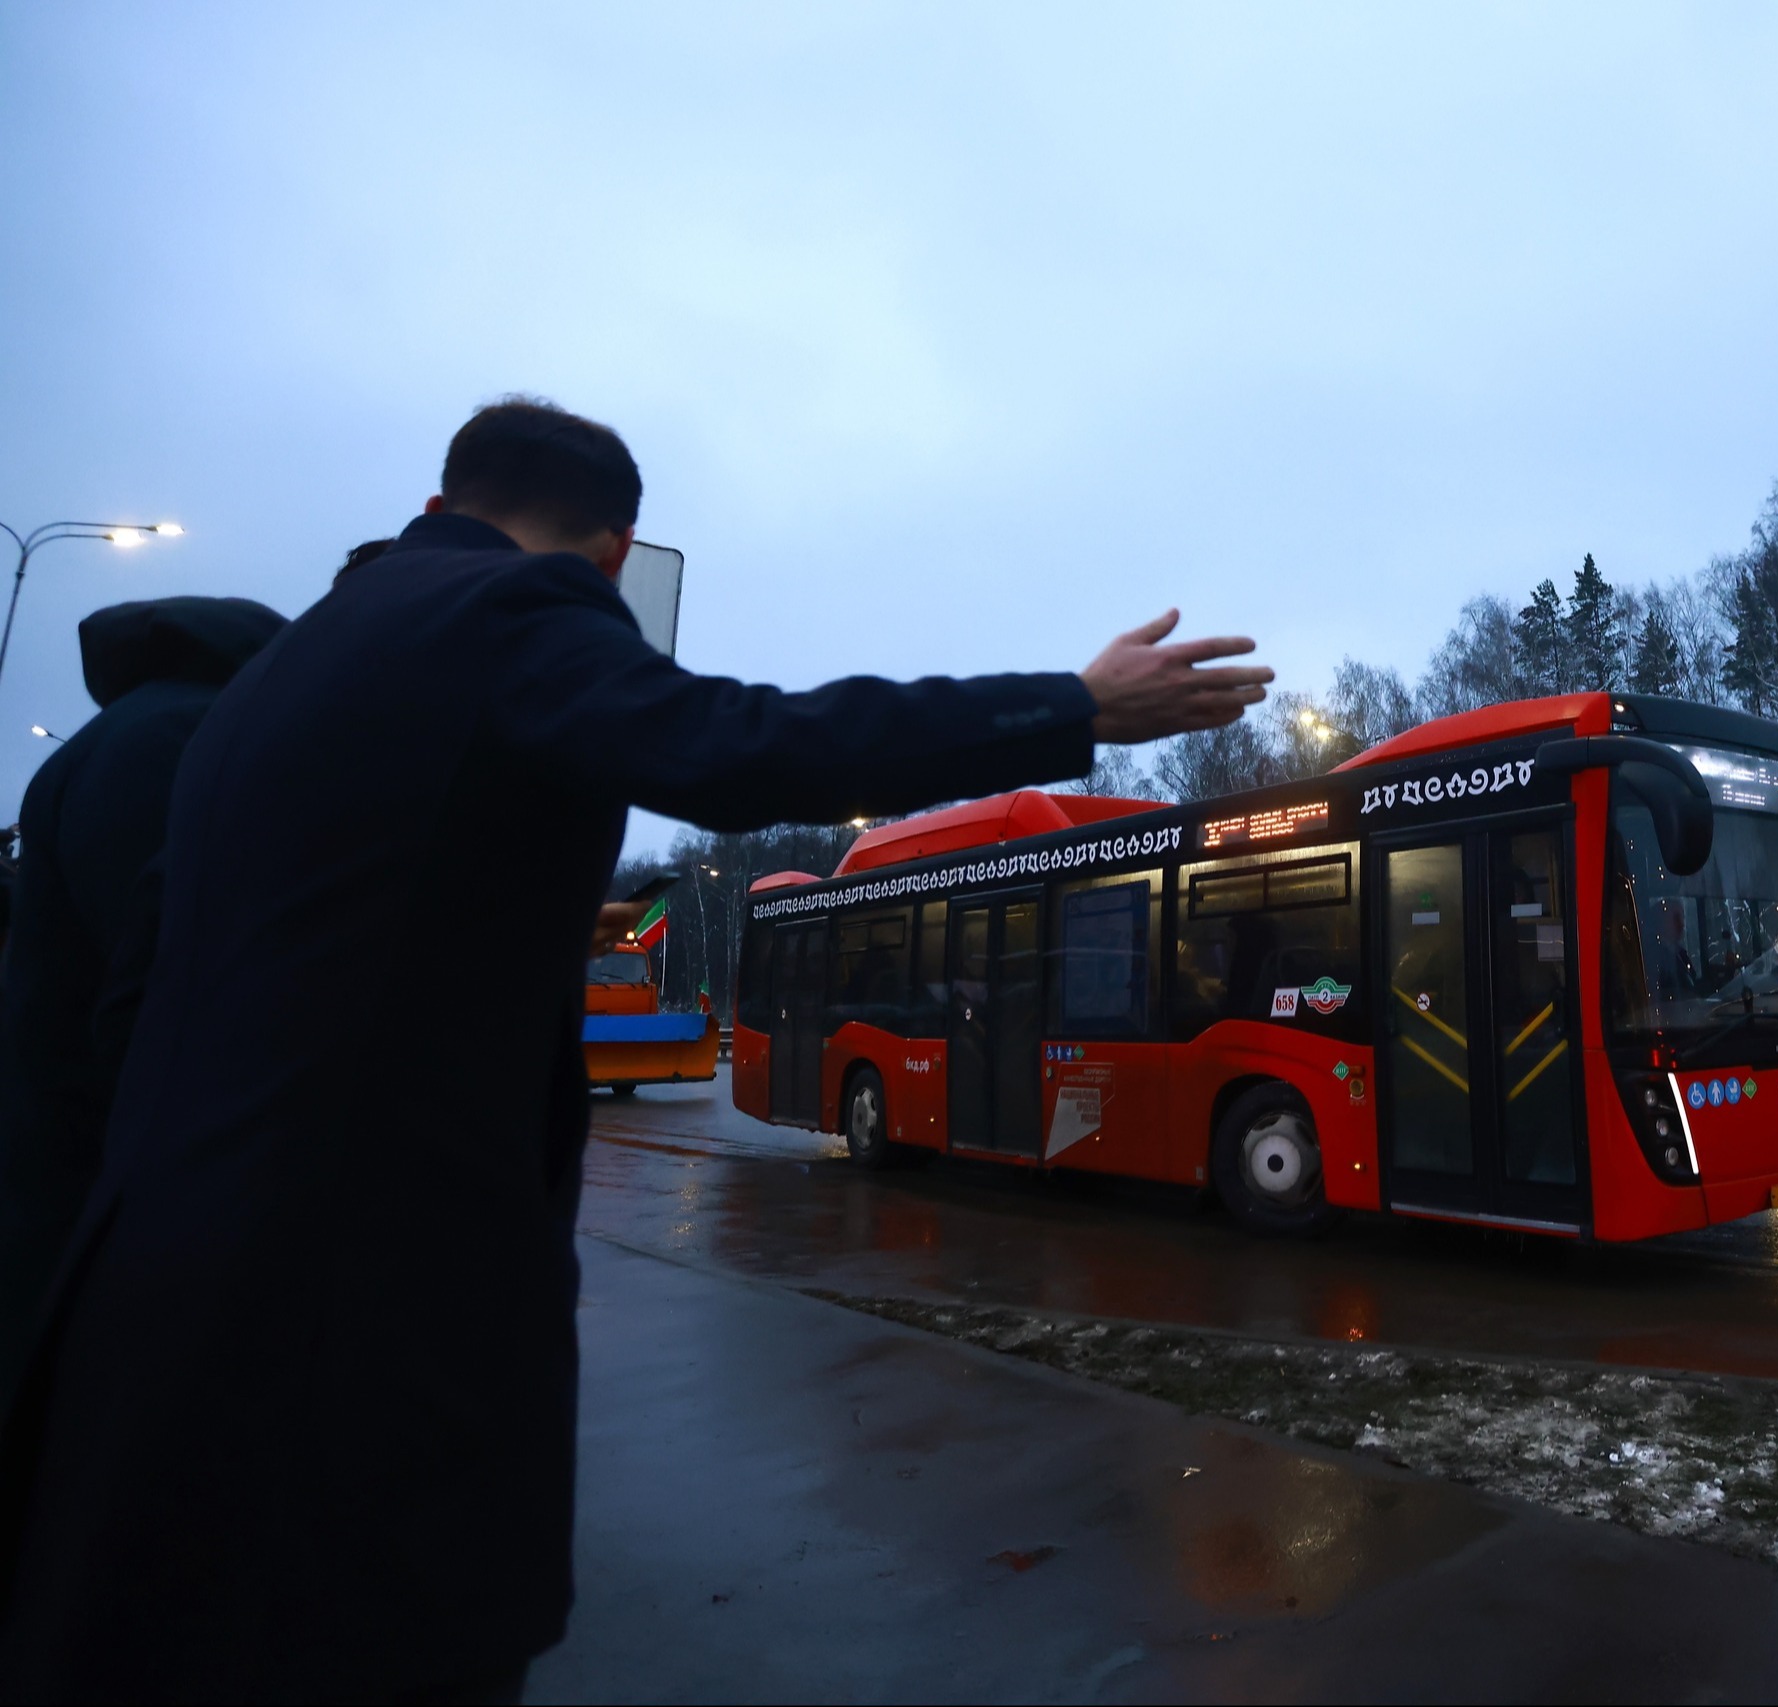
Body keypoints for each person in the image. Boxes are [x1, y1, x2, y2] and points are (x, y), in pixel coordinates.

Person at [0, 397, 1269, 1702]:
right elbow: (736, 741)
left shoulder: (279, 676)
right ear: (612, 553)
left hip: (155, 1285)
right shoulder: (508, 613)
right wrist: (1076, 703)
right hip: (361, 1316)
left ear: (436, 506)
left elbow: (163, 975)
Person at [0, 596, 288, 1416]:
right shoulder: (180, 743)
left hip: (63, 1158)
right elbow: (171, 975)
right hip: (109, 1180)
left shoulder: (126, 733)